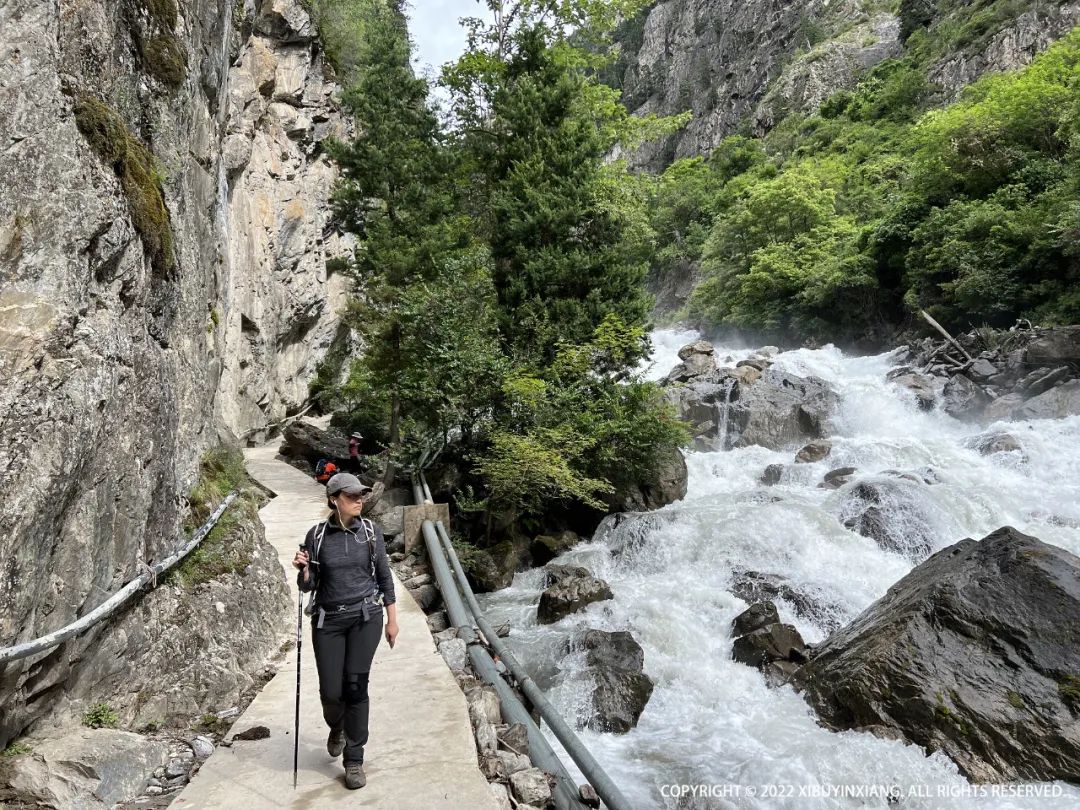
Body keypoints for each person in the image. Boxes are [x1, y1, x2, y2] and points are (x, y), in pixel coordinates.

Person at [291, 472, 399, 789]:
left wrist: (392, 619)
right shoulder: (317, 536)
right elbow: (307, 585)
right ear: (334, 500)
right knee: (331, 693)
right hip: (328, 621)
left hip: (366, 617)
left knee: (355, 686)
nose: (358, 500)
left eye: (360, 495)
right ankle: (336, 725)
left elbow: (384, 577)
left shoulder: (370, 532)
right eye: (352, 495)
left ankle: (354, 759)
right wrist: (305, 569)